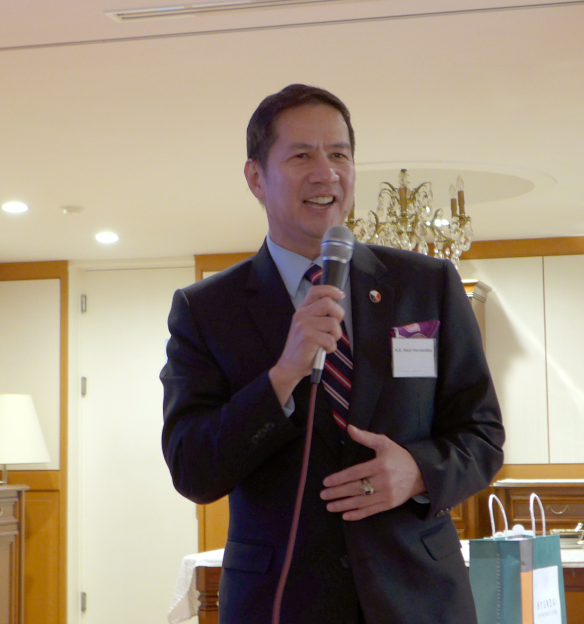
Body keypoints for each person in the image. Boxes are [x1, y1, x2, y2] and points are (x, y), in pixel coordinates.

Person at [160, 83, 504, 624]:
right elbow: (192, 468)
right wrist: (282, 375)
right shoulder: (207, 309)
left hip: (419, 597)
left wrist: (417, 471)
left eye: (339, 154)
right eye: (301, 155)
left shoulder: (426, 284)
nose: (327, 173)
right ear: (256, 177)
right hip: (281, 601)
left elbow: (483, 436)